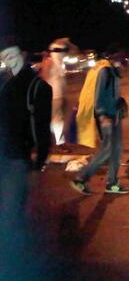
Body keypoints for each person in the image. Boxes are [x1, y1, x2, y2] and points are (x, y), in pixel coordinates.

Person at [0, 40, 52, 239]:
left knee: (11, 211)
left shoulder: (38, 88)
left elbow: (41, 128)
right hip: (13, 157)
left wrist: (39, 161)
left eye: (10, 55)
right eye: (3, 56)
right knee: (12, 210)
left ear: (23, 54)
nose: (7, 60)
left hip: (15, 157)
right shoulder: (6, 82)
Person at [70, 45, 129, 195]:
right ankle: (81, 178)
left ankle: (112, 183)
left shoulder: (112, 70)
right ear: (112, 57)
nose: (122, 61)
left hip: (115, 116)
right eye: (120, 57)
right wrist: (102, 116)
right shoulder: (104, 71)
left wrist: (120, 102)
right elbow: (98, 97)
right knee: (107, 150)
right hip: (107, 117)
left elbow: (112, 93)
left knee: (116, 149)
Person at [39, 38, 72, 146]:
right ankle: (59, 141)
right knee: (57, 118)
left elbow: (44, 77)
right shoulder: (55, 61)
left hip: (56, 94)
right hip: (57, 94)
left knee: (56, 118)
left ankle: (58, 141)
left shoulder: (54, 61)